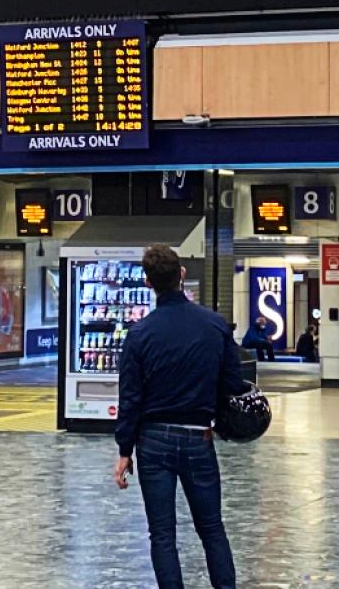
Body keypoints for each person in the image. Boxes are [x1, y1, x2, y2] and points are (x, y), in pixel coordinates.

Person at [114, 244, 250, 589]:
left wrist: (124, 449)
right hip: (198, 438)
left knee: (162, 534)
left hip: (153, 442)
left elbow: (130, 398)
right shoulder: (215, 326)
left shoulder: (139, 334)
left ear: (148, 283)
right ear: (182, 276)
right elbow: (234, 383)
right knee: (212, 528)